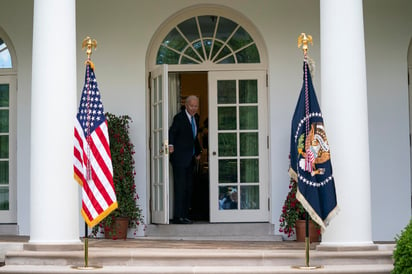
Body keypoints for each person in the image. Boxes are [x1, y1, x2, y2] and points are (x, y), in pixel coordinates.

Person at [169, 95, 202, 224]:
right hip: (180, 158)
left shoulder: (196, 118)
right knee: (180, 187)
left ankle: (185, 215)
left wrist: (198, 151)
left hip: (190, 158)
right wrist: (170, 145)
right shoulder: (179, 118)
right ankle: (178, 217)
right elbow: (172, 132)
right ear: (186, 105)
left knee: (188, 187)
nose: (194, 109)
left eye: (196, 106)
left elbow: (194, 137)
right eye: (191, 106)